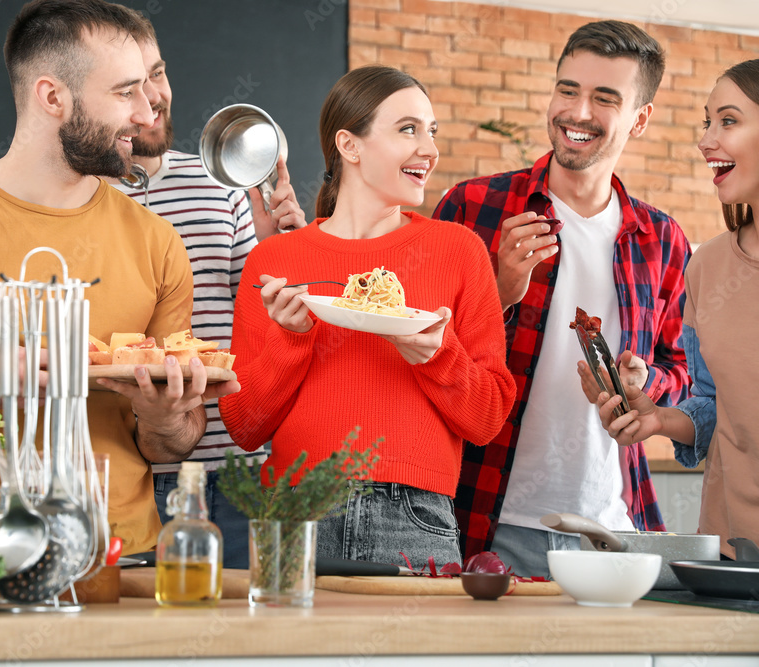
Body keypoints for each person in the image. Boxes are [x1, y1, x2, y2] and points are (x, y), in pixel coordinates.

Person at [0, 0, 238, 556]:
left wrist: (164, 418)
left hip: (121, 557)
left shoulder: (159, 244)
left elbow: (166, 447)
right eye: (124, 92)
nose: (147, 112)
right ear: (52, 96)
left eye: (146, 89)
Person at [218, 65, 514, 569]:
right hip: (293, 511)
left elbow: (487, 419)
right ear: (349, 147)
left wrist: (437, 354)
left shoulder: (458, 251)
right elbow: (244, 426)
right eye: (408, 129)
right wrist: (291, 340)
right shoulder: (273, 262)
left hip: (416, 516)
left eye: (431, 131)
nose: (429, 149)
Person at [433, 20, 692, 577]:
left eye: (604, 98)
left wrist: (646, 382)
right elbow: (423, 356)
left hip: (616, 528)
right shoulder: (472, 207)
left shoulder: (664, 241)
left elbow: (683, 370)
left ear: (639, 119)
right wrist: (499, 295)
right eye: (567, 89)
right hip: (486, 521)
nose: (577, 112)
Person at [109, 10, 306, 569]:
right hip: (141, 471)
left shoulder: (217, 181)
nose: (154, 97)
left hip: (241, 464)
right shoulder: (83, 199)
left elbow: (265, 309)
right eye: (131, 85)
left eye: (159, 73)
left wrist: (280, 246)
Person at [594, 60, 759, 558]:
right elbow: (714, 405)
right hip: (734, 550)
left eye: (728, 121)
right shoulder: (707, 266)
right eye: (706, 122)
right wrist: (660, 421)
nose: (707, 140)